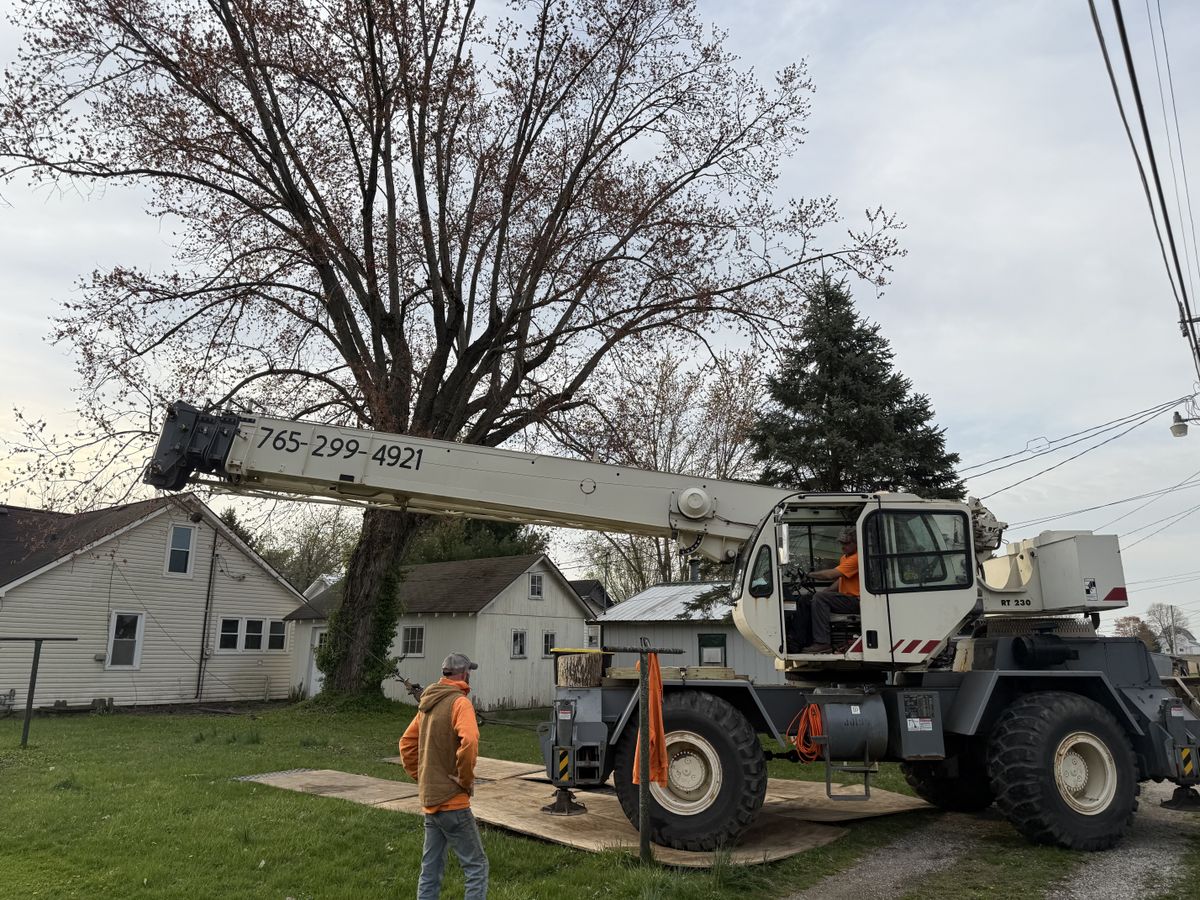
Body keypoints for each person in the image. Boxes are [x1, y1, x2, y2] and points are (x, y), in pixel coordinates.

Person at [400, 652, 489, 900]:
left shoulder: (428, 703)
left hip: (431, 802)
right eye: (469, 672)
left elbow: (406, 744)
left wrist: (422, 777)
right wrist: (465, 780)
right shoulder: (460, 703)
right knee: (476, 866)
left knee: (430, 869)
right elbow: (469, 742)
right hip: (453, 802)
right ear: (465, 674)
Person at [800, 528, 860, 654]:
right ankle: (803, 640)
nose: (843, 546)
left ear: (857, 543)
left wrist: (809, 574)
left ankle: (822, 643)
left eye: (847, 543)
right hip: (846, 599)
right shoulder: (844, 558)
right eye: (841, 543)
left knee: (820, 598)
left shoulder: (857, 558)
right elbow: (841, 580)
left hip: (856, 601)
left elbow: (831, 575)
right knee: (810, 598)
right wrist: (825, 591)